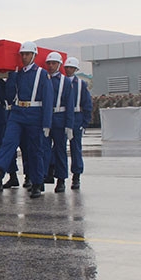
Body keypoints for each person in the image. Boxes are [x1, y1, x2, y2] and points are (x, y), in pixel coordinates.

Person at [0, 41, 54, 198]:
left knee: (35, 150)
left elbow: (48, 99)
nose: (24, 57)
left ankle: (37, 183)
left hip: (35, 113)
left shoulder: (42, 74)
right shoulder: (18, 73)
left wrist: (46, 123)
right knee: (8, 142)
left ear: (34, 55)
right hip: (17, 112)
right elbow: (10, 96)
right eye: (22, 54)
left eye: (27, 54)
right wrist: (11, 77)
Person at [43, 52, 74, 193]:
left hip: (59, 118)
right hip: (45, 118)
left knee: (60, 150)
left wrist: (69, 125)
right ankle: (44, 176)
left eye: (53, 63)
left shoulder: (65, 82)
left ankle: (61, 180)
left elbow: (69, 104)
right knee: (43, 149)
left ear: (59, 65)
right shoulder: (43, 78)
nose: (50, 66)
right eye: (49, 63)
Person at [65, 57, 92, 190]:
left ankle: (76, 175)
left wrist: (85, 123)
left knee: (76, 148)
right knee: (58, 147)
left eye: (71, 67)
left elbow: (87, 104)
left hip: (77, 117)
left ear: (75, 69)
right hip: (64, 116)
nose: (68, 70)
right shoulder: (61, 81)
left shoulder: (81, 84)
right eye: (67, 67)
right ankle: (59, 174)